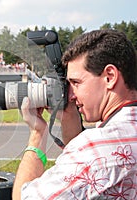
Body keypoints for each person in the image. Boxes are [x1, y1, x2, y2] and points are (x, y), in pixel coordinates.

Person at [12, 29, 137, 199]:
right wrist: (69, 115)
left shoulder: (95, 150)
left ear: (110, 76)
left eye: (76, 83)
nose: (70, 95)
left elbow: (23, 198)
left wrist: (37, 134)